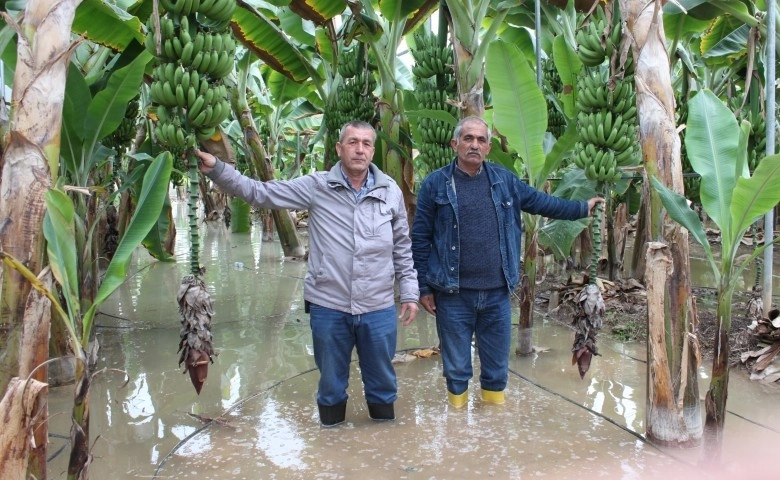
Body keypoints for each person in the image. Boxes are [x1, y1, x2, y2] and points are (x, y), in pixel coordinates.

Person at [195, 120, 419, 426]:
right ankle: (330, 450)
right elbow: (260, 193)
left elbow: (402, 247)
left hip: (377, 306)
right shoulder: (317, 186)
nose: (360, 149)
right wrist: (219, 169)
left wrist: (409, 292)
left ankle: (382, 442)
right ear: (340, 148)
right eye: (352, 142)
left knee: (382, 383)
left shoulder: (389, 190)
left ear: (373, 151)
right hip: (329, 306)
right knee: (330, 385)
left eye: (367, 143)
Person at [411, 116, 604, 408]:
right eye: (468, 139)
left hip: (497, 295)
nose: (474, 145)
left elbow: (542, 202)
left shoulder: (505, 181)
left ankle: (492, 429)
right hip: (452, 296)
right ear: (455, 144)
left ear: (488, 147)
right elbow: (421, 237)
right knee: (456, 370)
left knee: (496, 370)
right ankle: (458, 426)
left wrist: (581, 208)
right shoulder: (435, 185)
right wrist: (423, 288)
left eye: (481, 140)